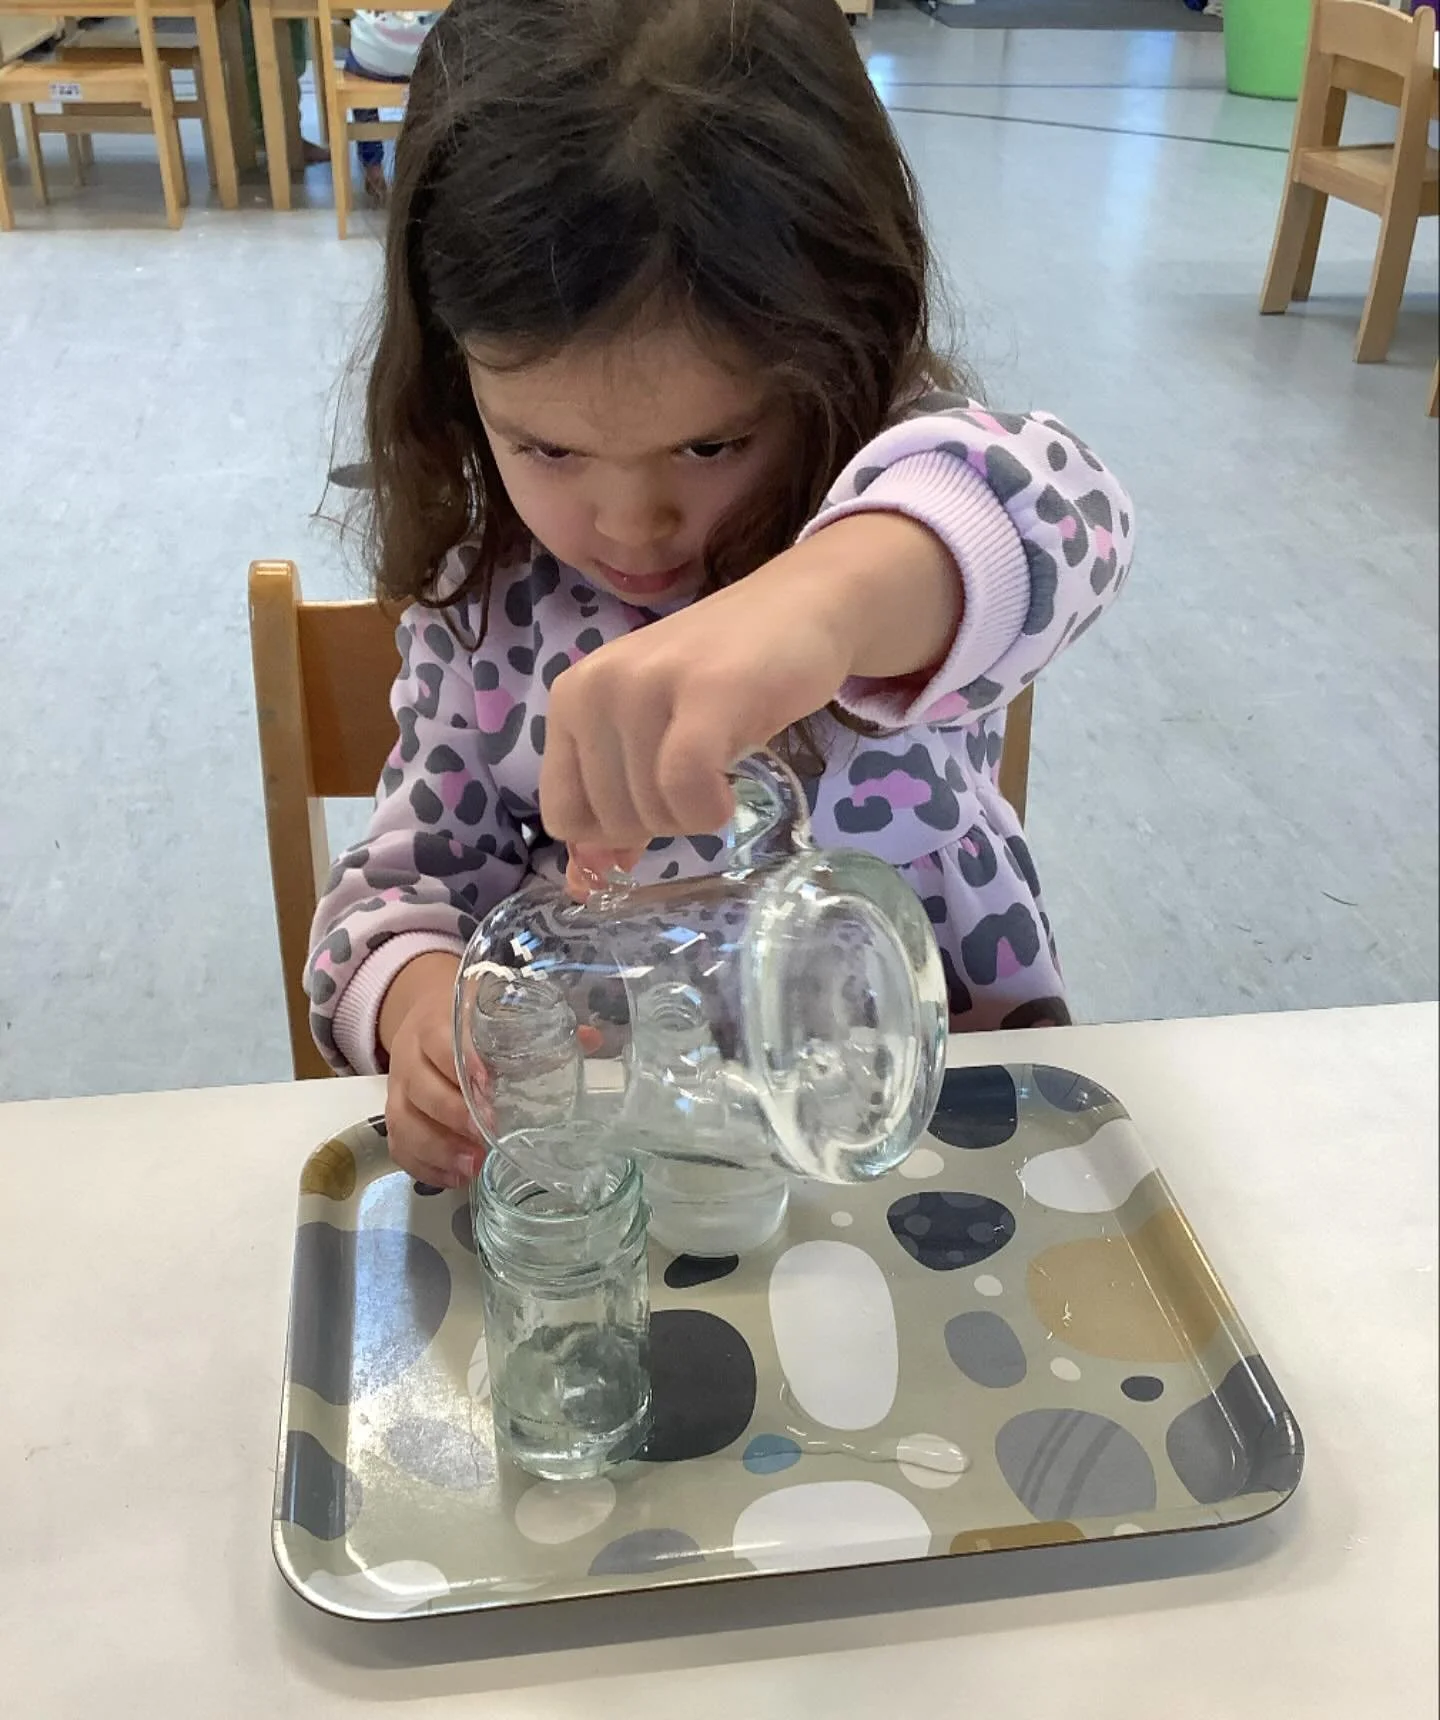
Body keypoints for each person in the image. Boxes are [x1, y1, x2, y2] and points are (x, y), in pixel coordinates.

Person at [305, 0, 1136, 1192]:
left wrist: (826, 600)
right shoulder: (479, 615)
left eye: (710, 447)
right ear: (454, 379)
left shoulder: (894, 498)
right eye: (546, 449)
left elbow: (1069, 504)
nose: (632, 525)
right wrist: (418, 1009)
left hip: (941, 1140)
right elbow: (391, 890)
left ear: (836, 348)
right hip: (634, 1162)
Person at [344, 10, 438, 203]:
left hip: (371, 60)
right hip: (425, 56)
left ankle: (373, 167)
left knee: (358, 60)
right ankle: (421, 160)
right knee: (438, 72)